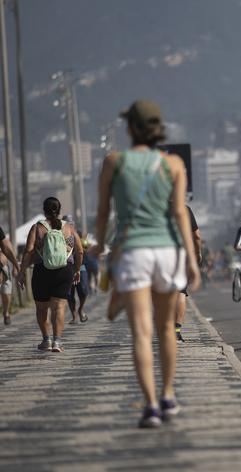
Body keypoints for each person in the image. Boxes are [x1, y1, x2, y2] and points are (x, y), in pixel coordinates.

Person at [93, 100, 200, 428]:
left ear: (129, 128)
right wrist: (192, 261)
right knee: (167, 328)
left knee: (141, 332)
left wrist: (100, 245)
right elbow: (181, 213)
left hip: (133, 252)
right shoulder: (174, 165)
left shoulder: (114, 162)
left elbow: (102, 211)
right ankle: (168, 395)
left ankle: (151, 406)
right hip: (167, 251)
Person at [17, 197, 83, 352]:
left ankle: (46, 340)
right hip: (64, 270)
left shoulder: (37, 228)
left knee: (41, 308)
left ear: (44, 210)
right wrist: (77, 269)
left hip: (42, 271)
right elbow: (80, 250)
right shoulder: (69, 228)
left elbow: (28, 251)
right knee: (59, 307)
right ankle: (57, 342)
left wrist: (21, 272)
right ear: (59, 210)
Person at [175, 204, 202, 342]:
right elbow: (196, 235)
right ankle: (176, 330)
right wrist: (197, 253)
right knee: (180, 291)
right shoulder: (184, 208)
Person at [67, 230, 90, 324]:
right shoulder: (61, 234)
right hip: (68, 268)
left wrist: (85, 249)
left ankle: (80, 309)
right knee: (69, 294)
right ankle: (74, 316)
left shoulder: (78, 235)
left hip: (81, 267)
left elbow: (86, 251)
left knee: (84, 291)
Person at [0, 226, 20, 325]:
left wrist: (16, 266)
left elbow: (6, 246)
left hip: (1, 263)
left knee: (6, 293)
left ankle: (6, 311)